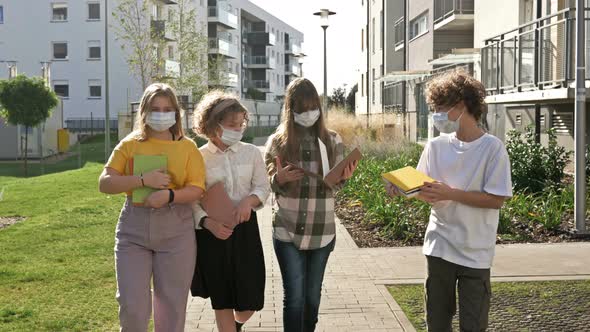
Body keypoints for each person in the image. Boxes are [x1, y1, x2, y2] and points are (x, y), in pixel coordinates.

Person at [386, 71, 513, 332]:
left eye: (440, 108)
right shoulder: (435, 146)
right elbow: (425, 191)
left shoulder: (493, 148)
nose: (437, 115)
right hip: (439, 247)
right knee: (437, 324)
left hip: (476, 252)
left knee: (474, 325)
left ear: (461, 106)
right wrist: (402, 190)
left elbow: (496, 200)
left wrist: (450, 193)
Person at [99, 83, 206, 331]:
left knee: (171, 309)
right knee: (133, 307)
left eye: (167, 108)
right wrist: (143, 180)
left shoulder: (187, 147)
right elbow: (105, 183)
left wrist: (168, 196)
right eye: (155, 108)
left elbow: (197, 189)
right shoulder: (130, 144)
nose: (161, 113)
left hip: (176, 231)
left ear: (176, 113)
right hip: (133, 230)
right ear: (144, 112)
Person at [264, 78, 357, 332]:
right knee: (294, 298)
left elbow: (336, 185)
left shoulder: (333, 141)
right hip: (287, 230)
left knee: (312, 298)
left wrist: (342, 179)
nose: (309, 113)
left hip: (321, 232)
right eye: (302, 109)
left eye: (313, 107)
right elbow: (266, 184)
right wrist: (278, 179)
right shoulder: (278, 142)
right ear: (291, 109)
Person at [191, 91, 270, 332]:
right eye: (231, 125)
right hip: (213, 235)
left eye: (241, 124)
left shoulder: (252, 152)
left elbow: (263, 186)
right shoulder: (197, 158)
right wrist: (207, 223)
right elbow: (192, 200)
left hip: (245, 232)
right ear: (213, 126)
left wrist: (249, 201)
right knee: (221, 299)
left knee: (251, 300)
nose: (238, 129)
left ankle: (236, 325)